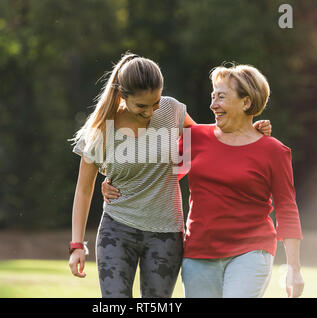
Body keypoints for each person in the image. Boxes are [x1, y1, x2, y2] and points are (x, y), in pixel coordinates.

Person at [69, 52, 271, 298]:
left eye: (155, 103)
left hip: (165, 233)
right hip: (118, 229)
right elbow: (83, 189)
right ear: (123, 96)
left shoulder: (171, 110)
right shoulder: (101, 129)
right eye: (141, 106)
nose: (150, 112)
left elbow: (207, 141)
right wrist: (77, 245)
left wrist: (249, 129)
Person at [178, 64, 304, 298]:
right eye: (213, 97)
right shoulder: (193, 138)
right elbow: (163, 177)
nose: (213, 105)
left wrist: (293, 268)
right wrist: (115, 181)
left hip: (251, 252)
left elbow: (287, 208)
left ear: (246, 103)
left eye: (222, 97)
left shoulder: (274, 151)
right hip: (199, 253)